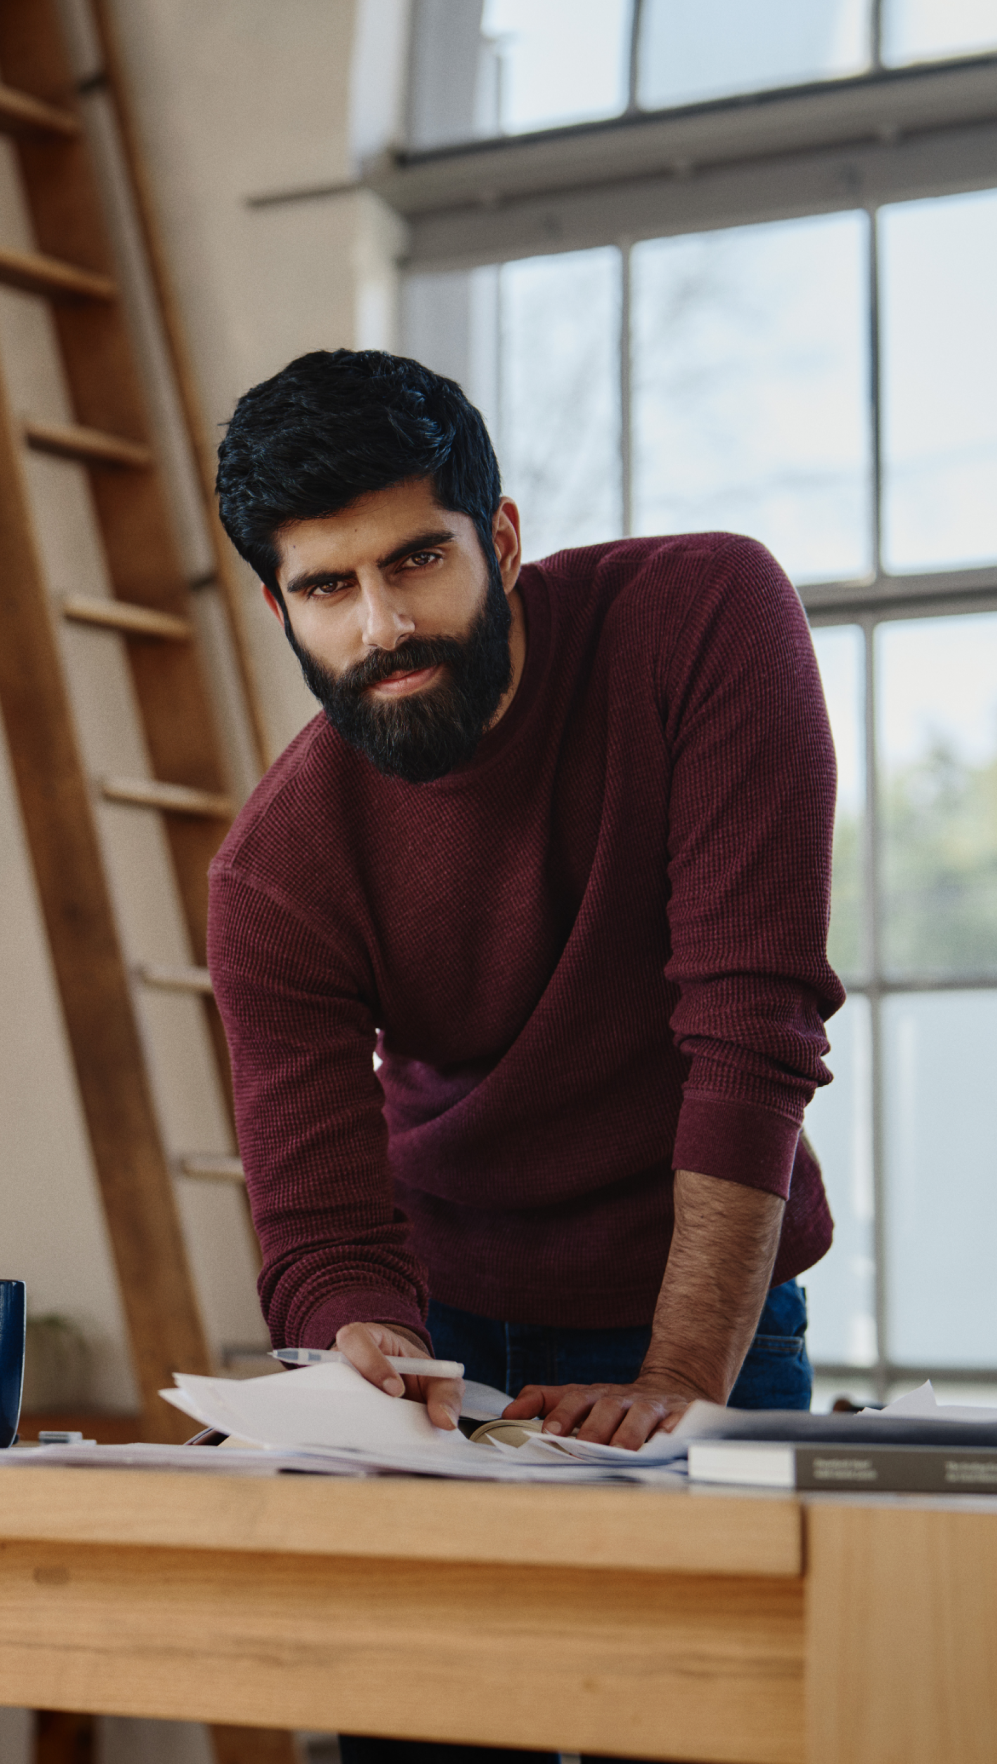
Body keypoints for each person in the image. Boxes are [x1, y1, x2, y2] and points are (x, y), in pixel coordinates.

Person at [210, 348, 843, 1764]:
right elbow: (318, 1220)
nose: (382, 626)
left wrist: (685, 1369)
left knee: (708, 1738)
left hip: (707, 1307)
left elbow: (752, 1027)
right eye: (327, 588)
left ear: (498, 539)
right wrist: (362, 1344)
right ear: (278, 606)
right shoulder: (277, 872)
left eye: (417, 559)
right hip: (455, 1345)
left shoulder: (703, 617)